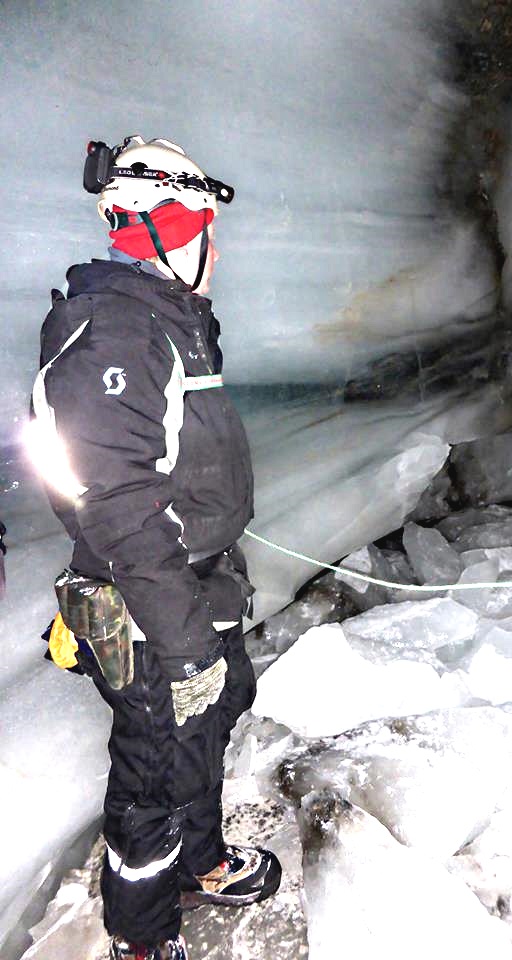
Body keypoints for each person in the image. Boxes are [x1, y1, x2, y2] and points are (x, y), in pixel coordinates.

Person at [29, 137, 281, 960]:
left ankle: (200, 860)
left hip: (190, 586)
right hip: (142, 605)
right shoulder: (117, 332)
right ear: (170, 227)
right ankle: (142, 938)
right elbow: (117, 500)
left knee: (206, 725)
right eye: (208, 222)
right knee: (151, 770)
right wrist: (180, 642)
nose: (219, 245)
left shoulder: (166, 323)